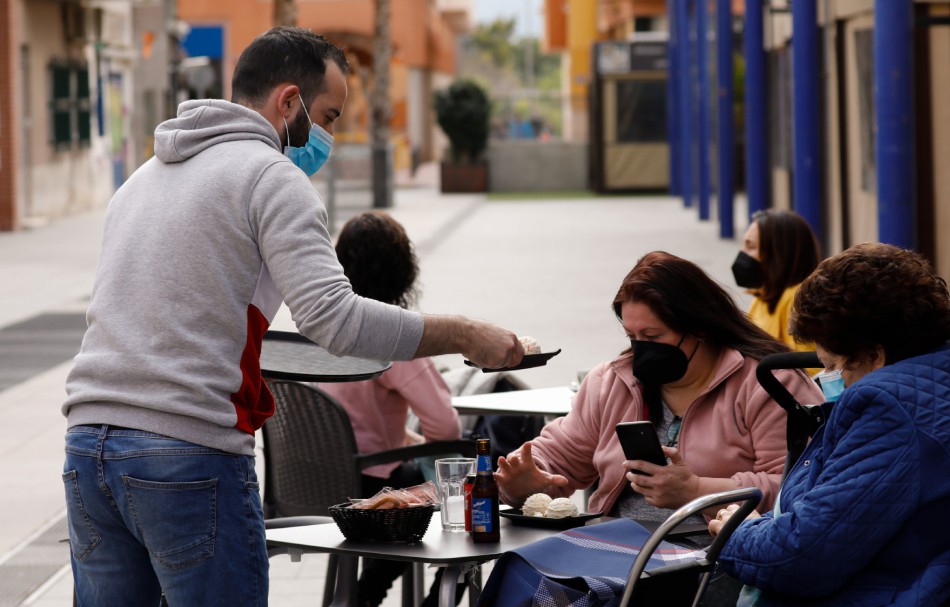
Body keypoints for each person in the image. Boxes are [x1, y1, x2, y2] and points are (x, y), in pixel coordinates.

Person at [60, 27, 523, 607]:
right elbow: (335, 322)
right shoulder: (271, 176)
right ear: (289, 101)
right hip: (188, 451)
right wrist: (465, 333)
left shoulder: (140, 181)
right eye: (327, 116)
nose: (328, 136)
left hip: (88, 448)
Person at [711, 243, 950, 607]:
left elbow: (798, 558)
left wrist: (736, 531)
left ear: (875, 355)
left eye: (833, 365)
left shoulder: (889, 411)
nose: (829, 378)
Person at [495, 251, 824, 522]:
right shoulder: (612, 382)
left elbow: (801, 488)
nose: (640, 349)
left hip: (717, 558)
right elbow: (558, 455)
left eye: (652, 336)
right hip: (617, 550)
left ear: (700, 328)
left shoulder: (771, 384)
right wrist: (525, 480)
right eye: (632, 336)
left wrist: (696, 491)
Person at [315, 211, 463, 607]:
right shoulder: (396, 337)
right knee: (468, 485)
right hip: (369, 490)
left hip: (311, 482)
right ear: (404, 270)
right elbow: (446, 429)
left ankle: (359, 596)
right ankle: (399, 597)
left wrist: (404, 437)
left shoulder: (318, 328)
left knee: (411, 476)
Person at [732, 209, 820, 353]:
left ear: (777, 253)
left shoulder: (797, 301)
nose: (743, 253)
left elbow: (806, 363)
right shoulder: (763, 295)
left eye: (751, 246)